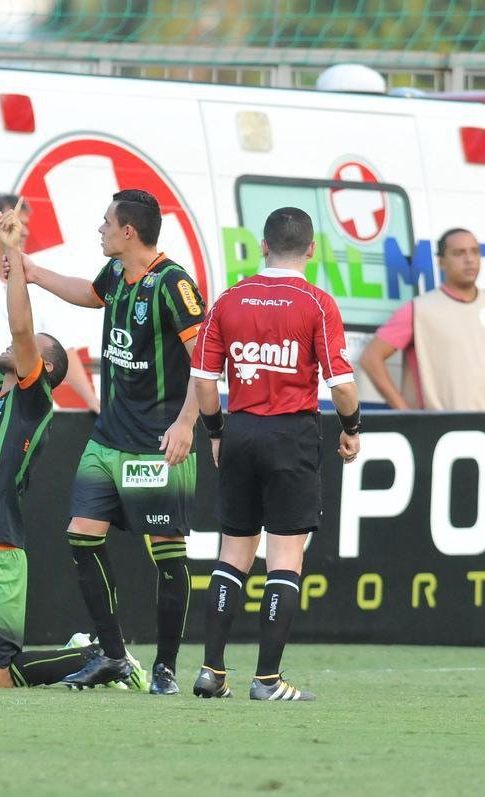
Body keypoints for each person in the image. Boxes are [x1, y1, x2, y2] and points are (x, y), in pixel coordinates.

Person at [0, 201, 142, 689]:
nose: (9, 344)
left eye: (27, 349)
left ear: (41, 368)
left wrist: (13, 251)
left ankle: (96, 657)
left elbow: (21, 328)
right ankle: (92, 655)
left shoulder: (30, 399)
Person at [20, 189, 204, 692]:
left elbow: (206, 361)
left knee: (166, 549)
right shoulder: (118, 276)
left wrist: (187, 423)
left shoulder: (173, 284)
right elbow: (89, 294)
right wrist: (34, 273)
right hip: (109, 438)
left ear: (129, 232)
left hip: (157, 443)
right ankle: (114, 656)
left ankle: (165, 667)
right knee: (82, 534)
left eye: (106, 223)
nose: (99, 230)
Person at [188, 206, 360, 701]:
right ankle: (265, 680)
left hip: (240, 431)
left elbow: (203, 381)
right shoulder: (317, 303)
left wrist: (218, 432)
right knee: (284, 558)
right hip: (291, 434)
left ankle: (211, 671)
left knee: (232, 554)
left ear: (262, 245)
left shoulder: (228, 300)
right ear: (310, 250)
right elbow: (343, 387)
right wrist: (351, 428)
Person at [0, 192, 99, 412]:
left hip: (21, 403)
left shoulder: (33, 279)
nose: (24, 231)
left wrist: (93, 402)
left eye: (23, 224)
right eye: (15, 223)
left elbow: (60, 346)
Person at [359, 227, 485, 410]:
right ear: (441, 262)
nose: (469, 259)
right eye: (458, 253)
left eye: (475, 251)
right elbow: (371, 357)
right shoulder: (419, 310)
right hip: (441, 432)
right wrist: (406, 414)